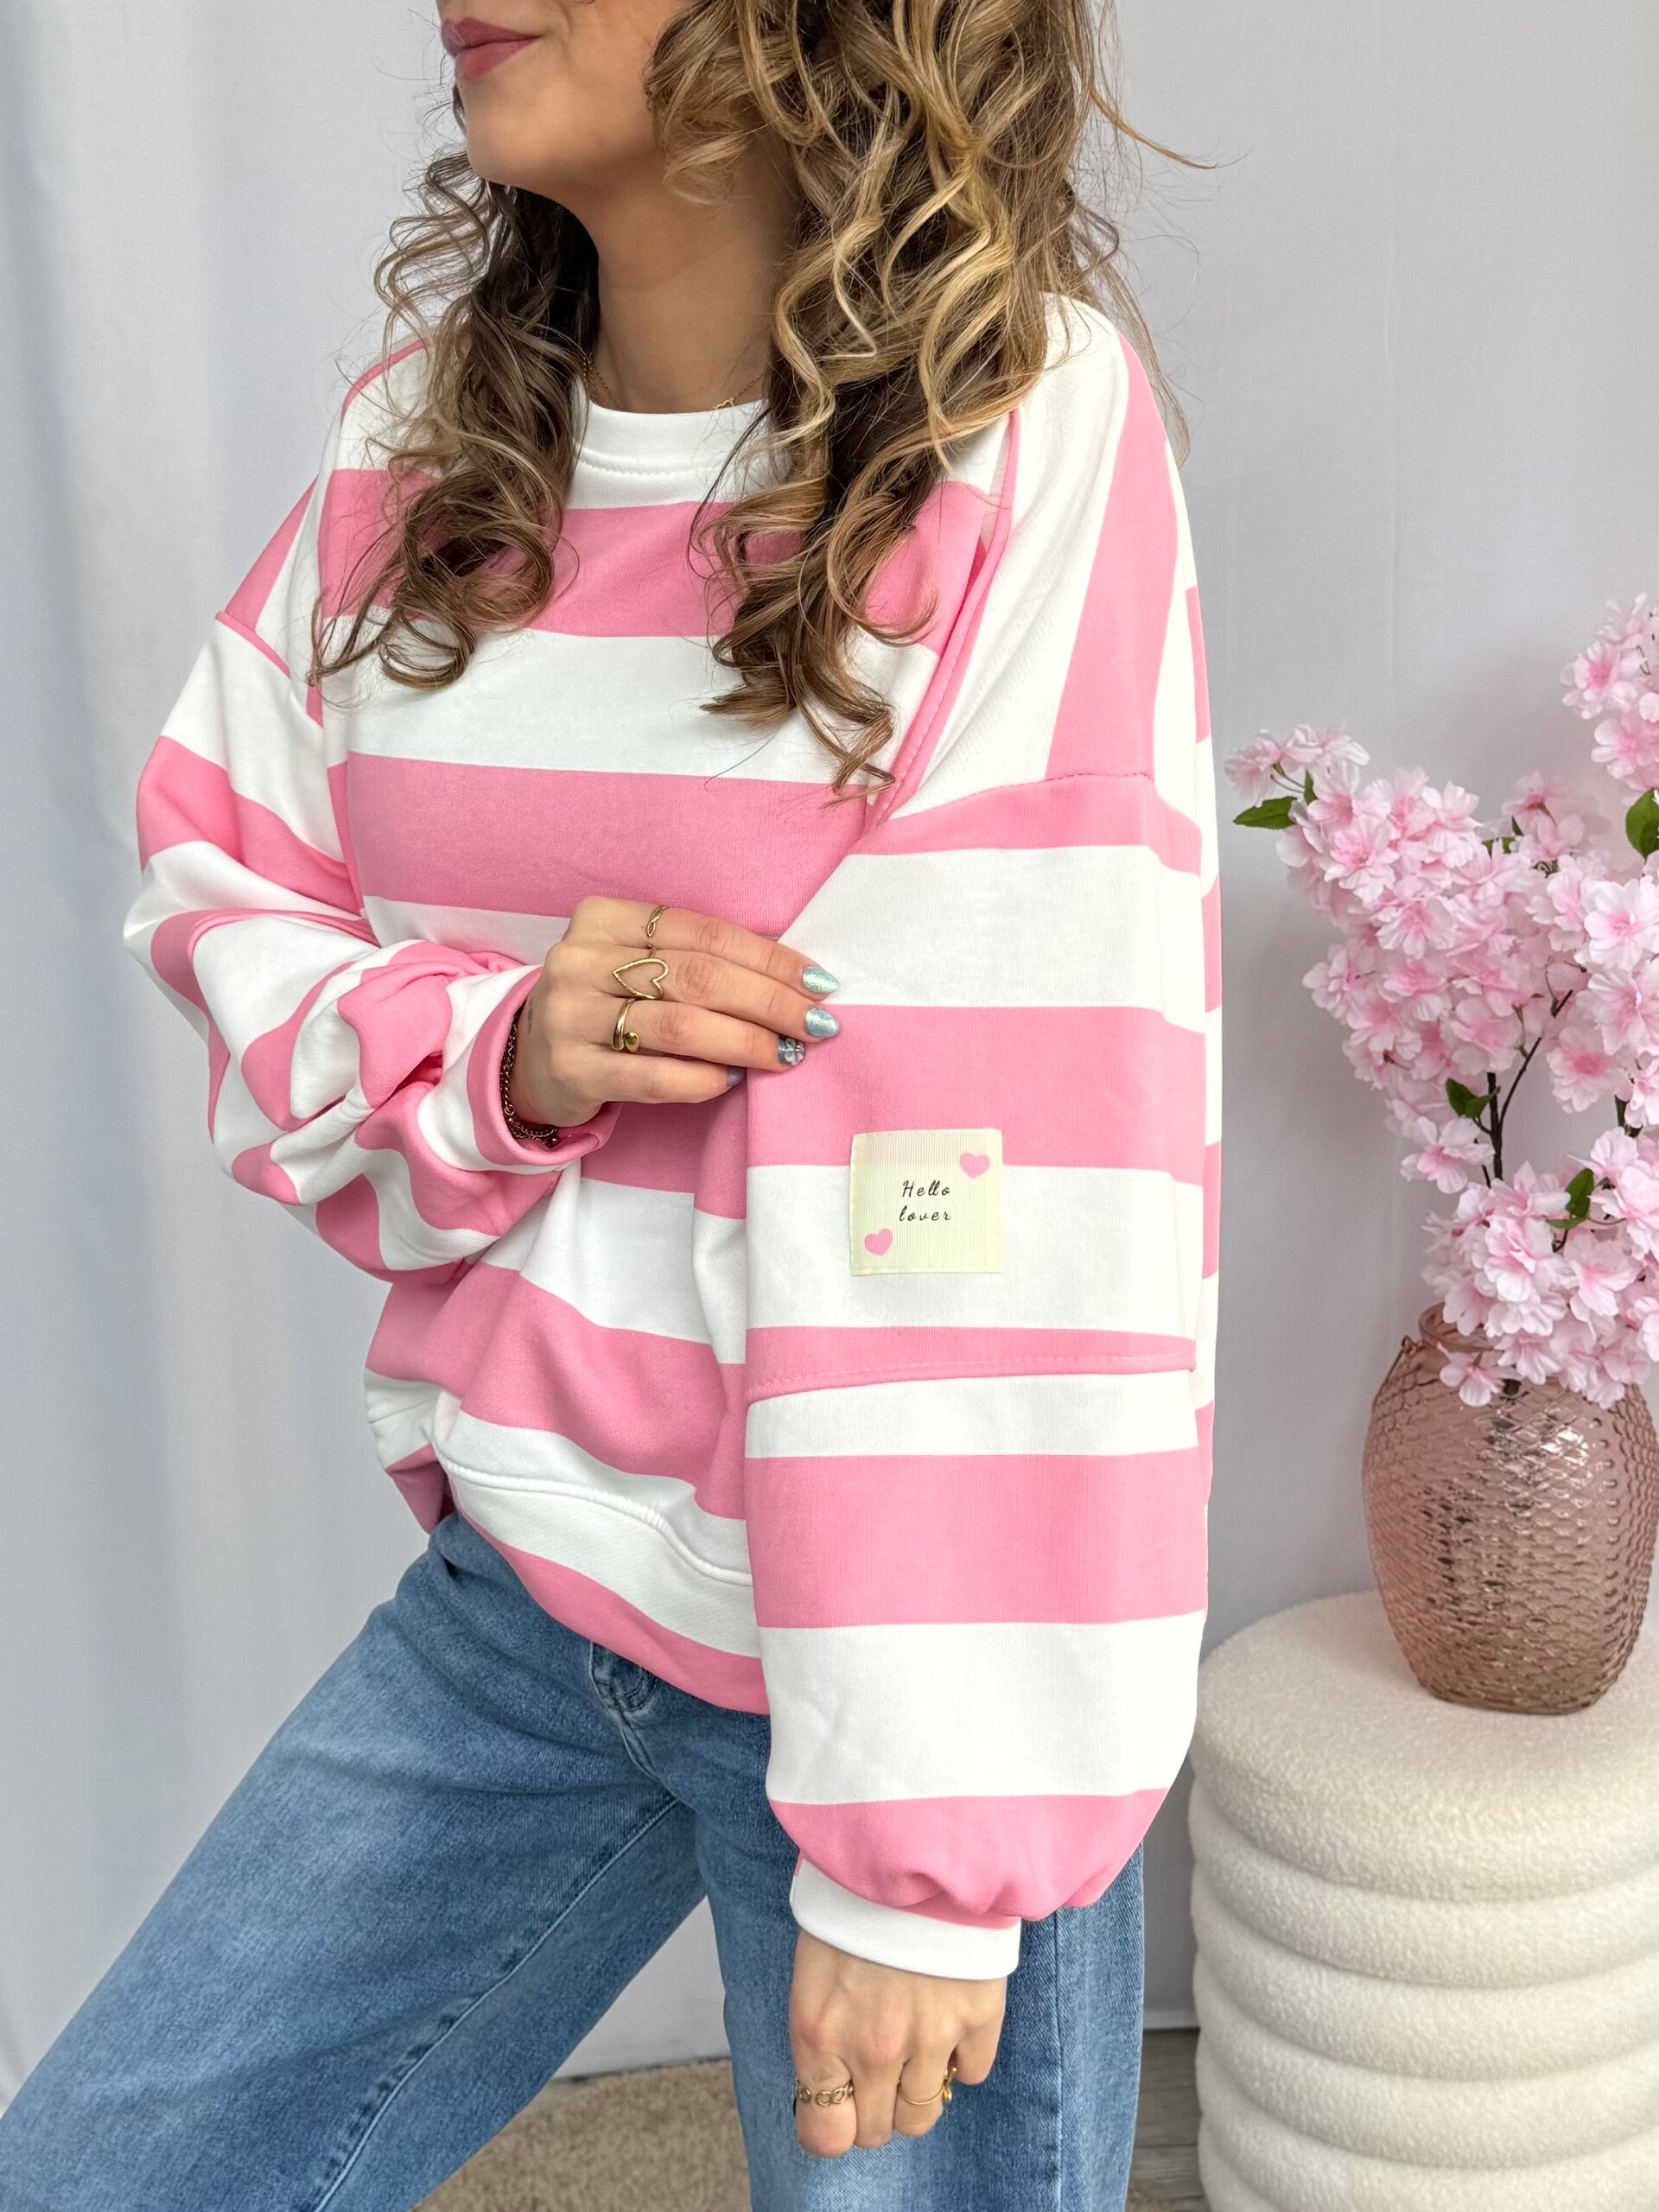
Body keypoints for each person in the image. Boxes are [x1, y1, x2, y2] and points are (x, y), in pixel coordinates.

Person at [0, 0, 1220, 2204]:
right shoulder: (419, 448)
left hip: (900, 1632)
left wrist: (923, 1841)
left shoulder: (1019, 426)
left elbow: (1017, 1141)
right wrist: (499, 1047)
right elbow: (225, 883)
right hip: (536, 1576)